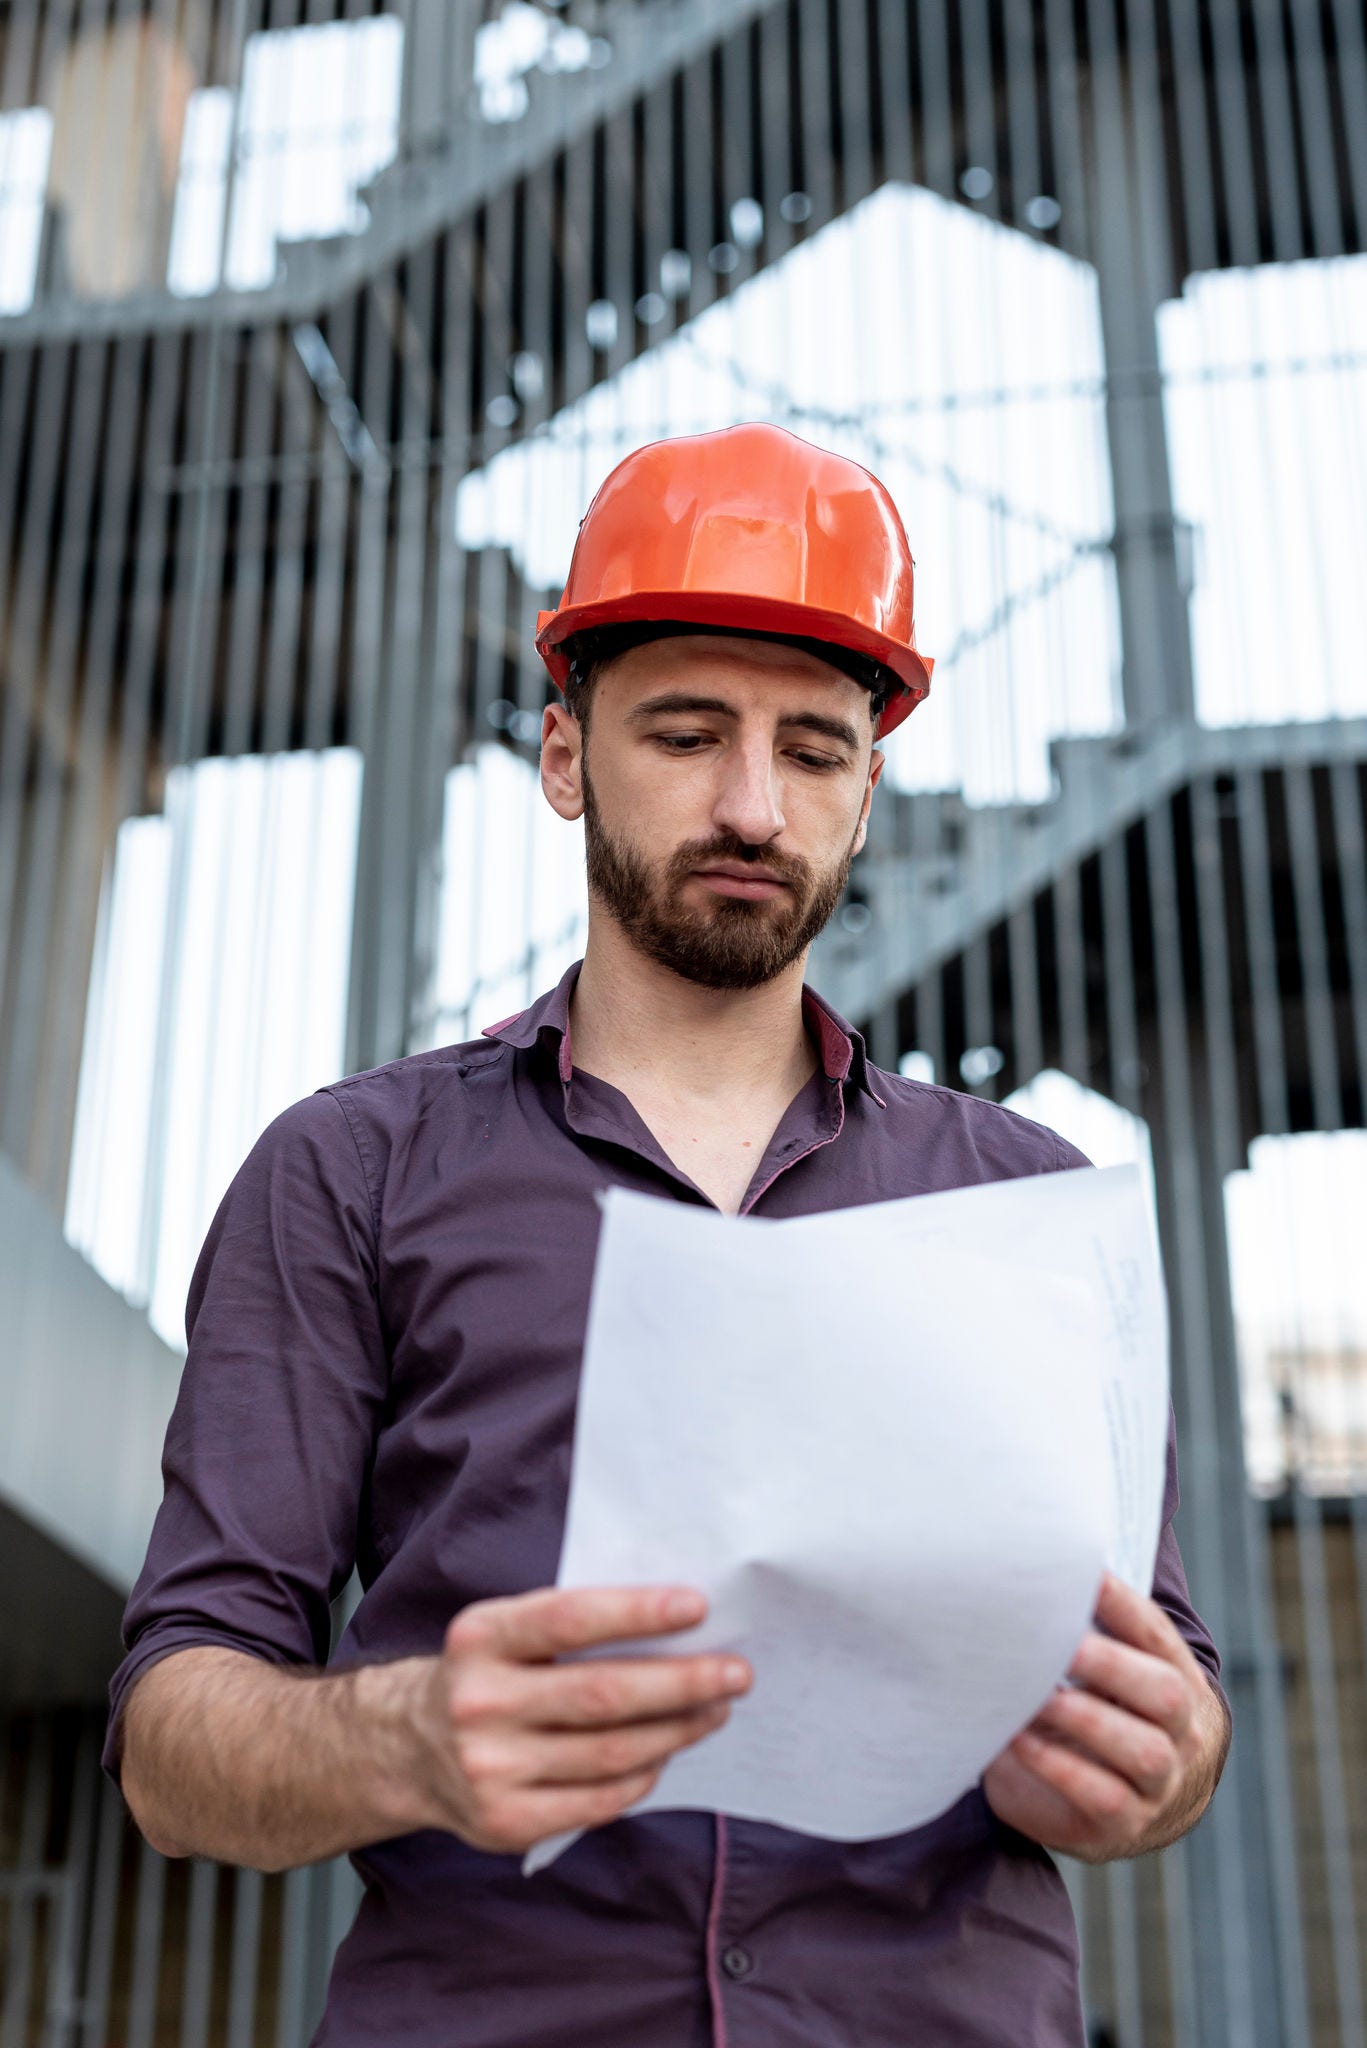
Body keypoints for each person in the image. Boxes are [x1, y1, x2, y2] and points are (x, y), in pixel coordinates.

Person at [107, 423, 1230, 2047]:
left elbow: (1173, 1695)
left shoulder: (1027, 1205)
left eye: (816, 752)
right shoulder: (349, 1173)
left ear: (868, 787)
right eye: (688, 734)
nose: (754, 807)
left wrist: (1159, 1765)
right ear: (565, 757)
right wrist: (404, 1739)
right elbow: (172, 1740)